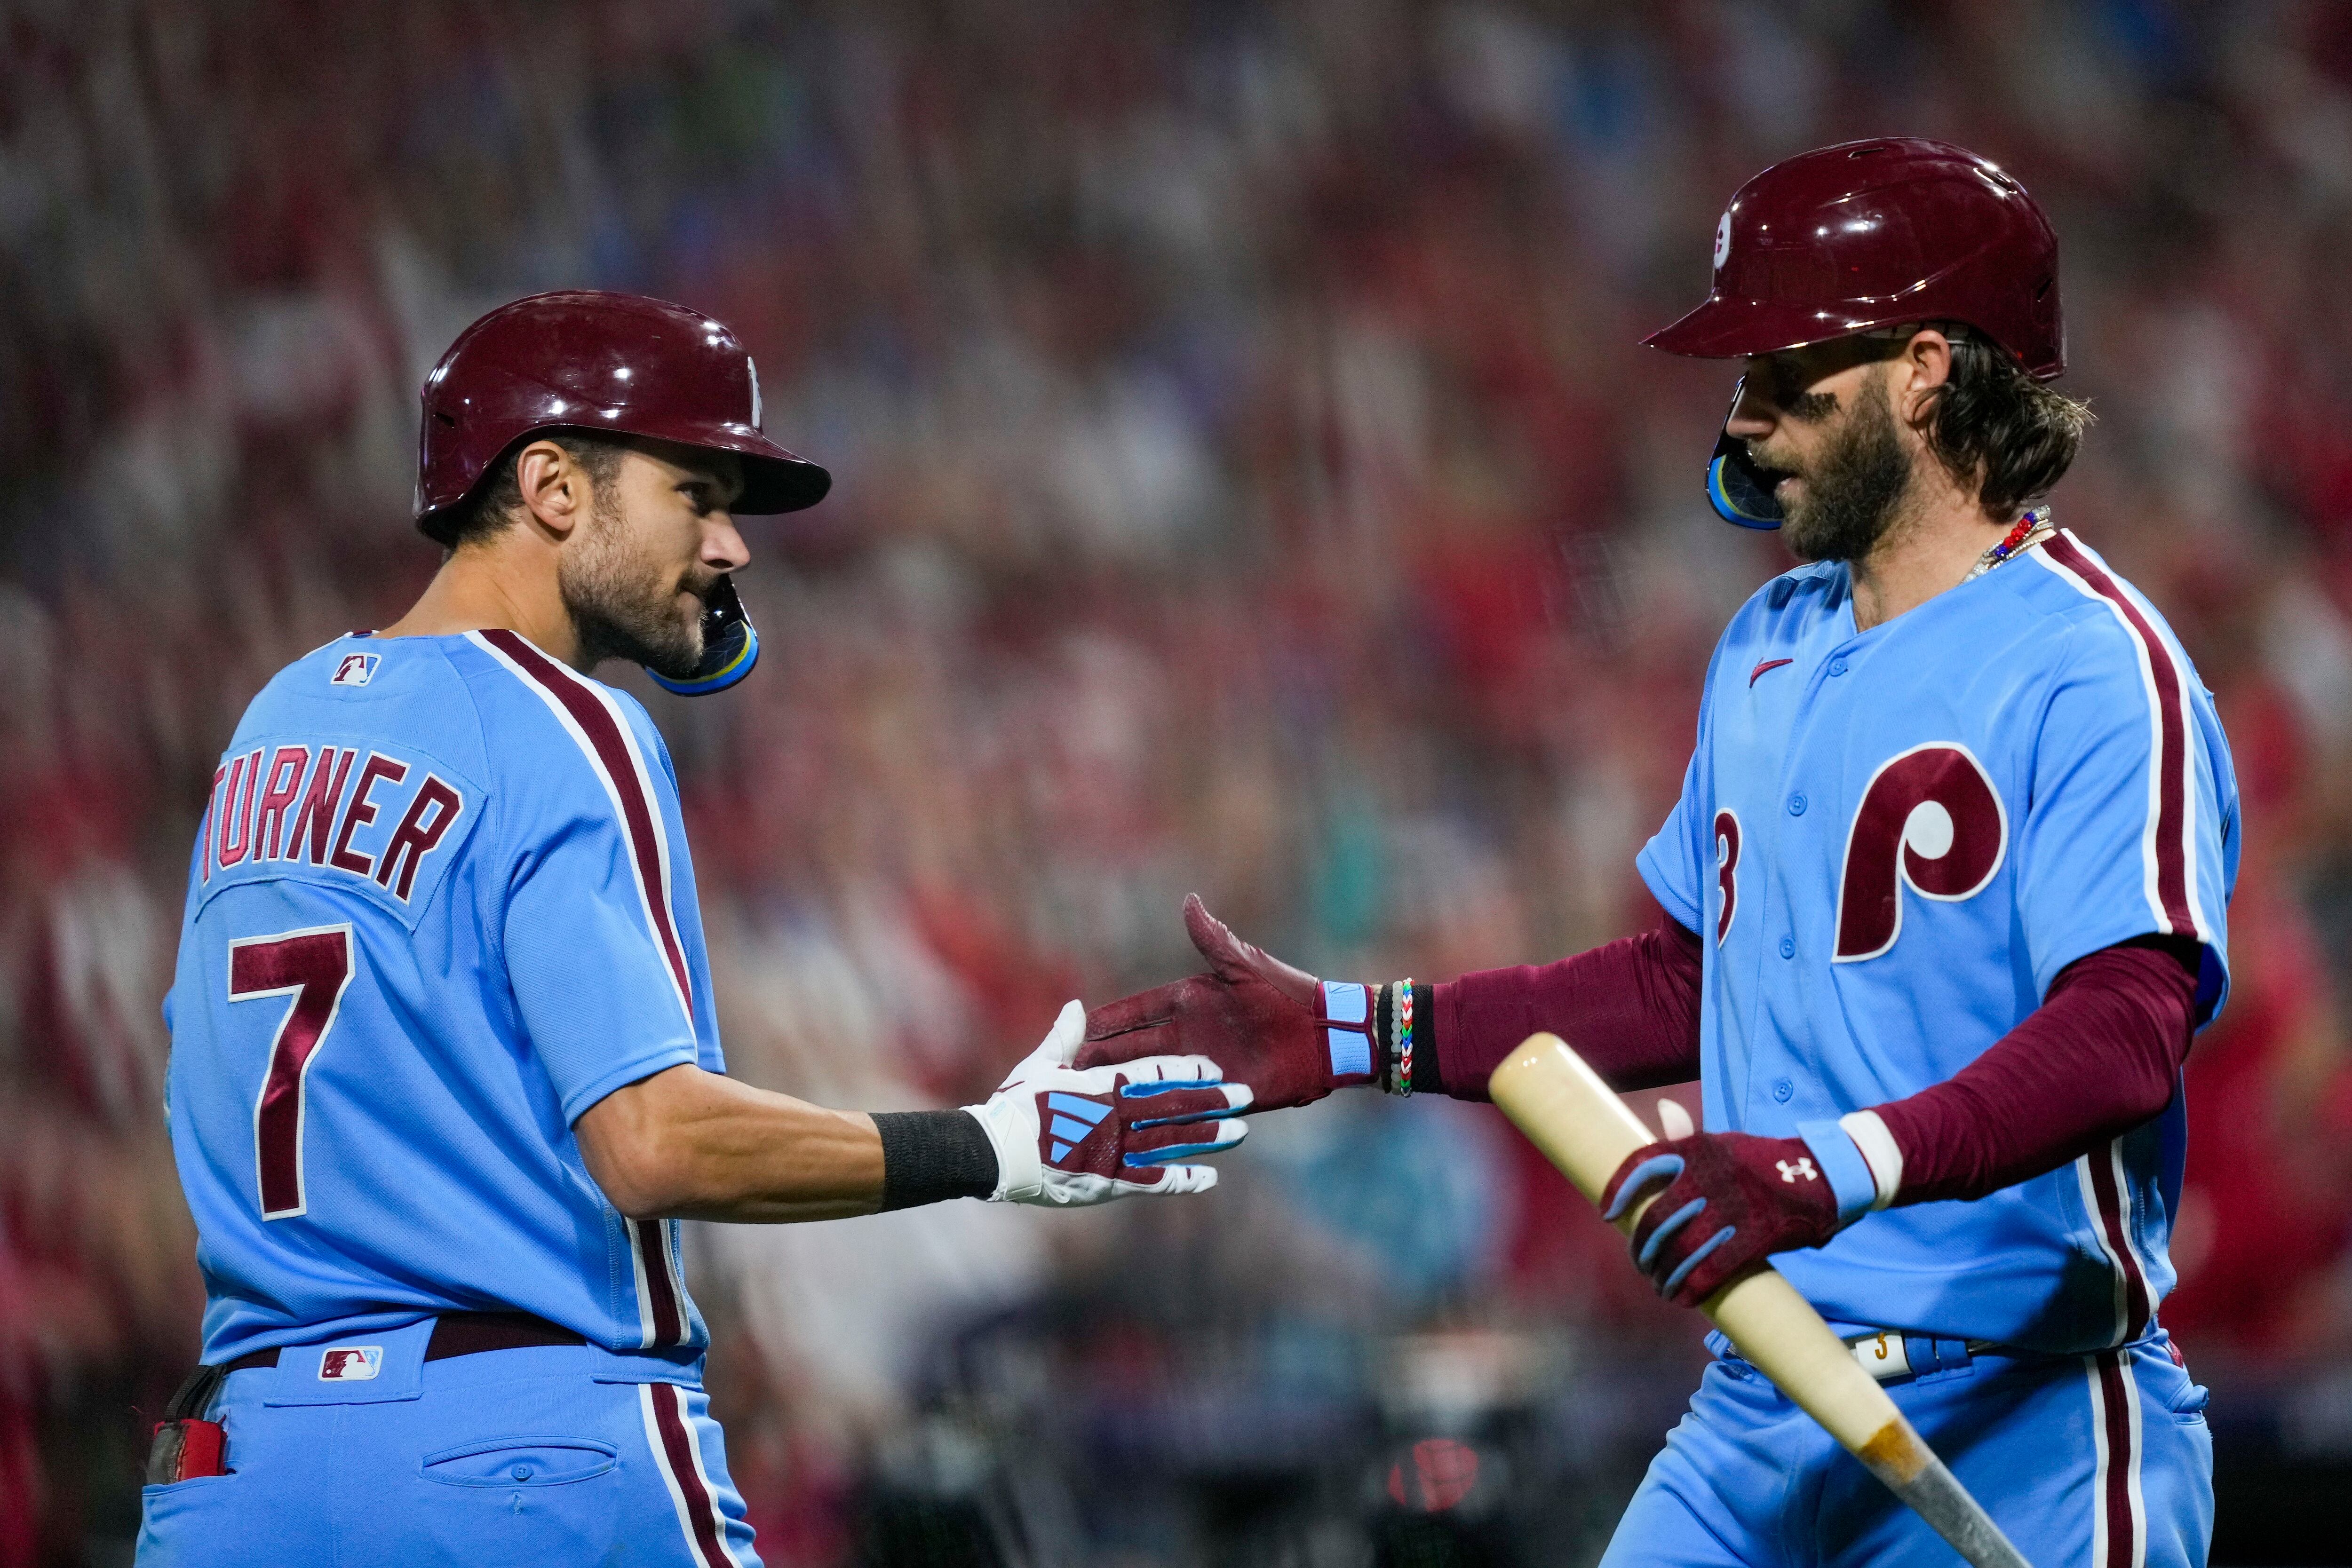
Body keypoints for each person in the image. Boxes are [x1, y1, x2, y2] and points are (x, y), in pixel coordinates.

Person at [1080, 140, 2236, 1567]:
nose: (1744, 417)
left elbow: (2127, 1036)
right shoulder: (1766, 642)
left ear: (1927, 369)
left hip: (2026, 1414)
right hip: (1754, 1403)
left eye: (1782, 371)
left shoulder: (2095, 663)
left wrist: (1820, 1174)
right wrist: (1350, 1033)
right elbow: (1694, 982)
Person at [138, 290, 1251, 1567]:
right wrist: (985, 1145)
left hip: (242, 1467)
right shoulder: (569, 725)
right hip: (517, 1452)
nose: (732, 546)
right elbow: (654, 1144)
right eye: (694, 492)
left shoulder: (273, 727)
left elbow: (201, 1099)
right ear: (554, 486)